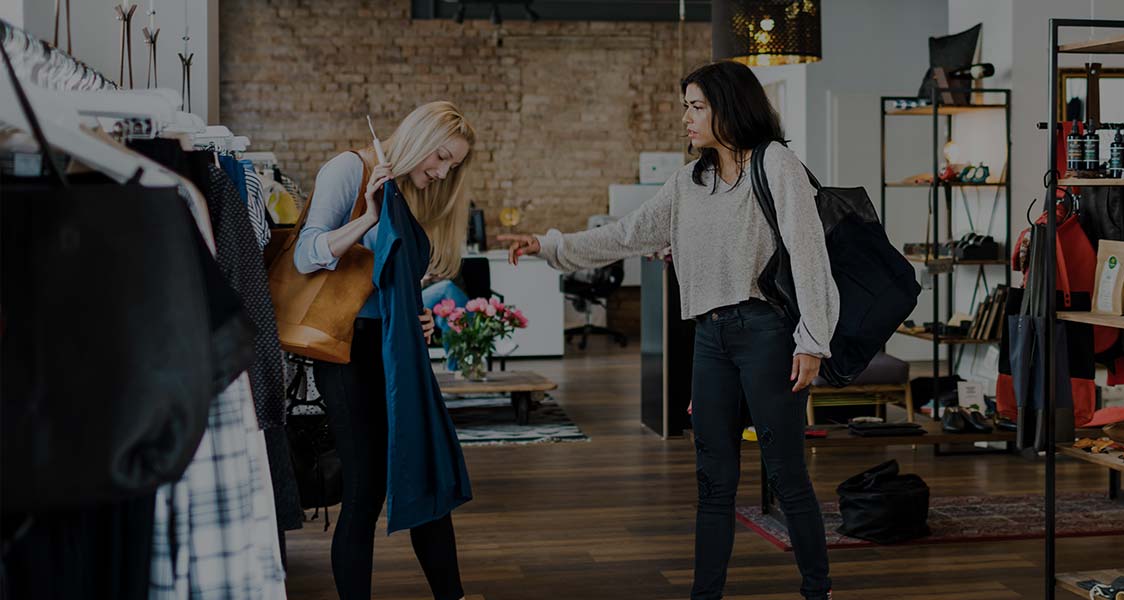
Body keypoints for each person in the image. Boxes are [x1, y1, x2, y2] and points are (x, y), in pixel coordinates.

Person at [499, 61, 837, 600]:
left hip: (767, 334)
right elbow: (627, 234)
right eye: (685, 105)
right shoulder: (688, 182)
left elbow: (809, 256)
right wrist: (551, 246)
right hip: (709, 339)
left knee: (786, 473)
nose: (686, 117)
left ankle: (816, 590)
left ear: (730, 106)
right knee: (712, 482)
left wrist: (813, 340)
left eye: (696, 105)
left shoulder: (775, 165)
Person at [295, 100, 476, 600]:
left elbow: (392, 281)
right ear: (419, 138)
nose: (440, 172)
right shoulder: (349, 171)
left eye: (451, 166)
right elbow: (305, 254)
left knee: (425, 474)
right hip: (346, 347)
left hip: (395, 346)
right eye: (439, 157)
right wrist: (367, 217)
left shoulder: (410, 189)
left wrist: (416, 314)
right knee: (366, 489)